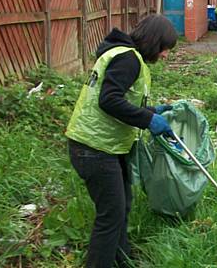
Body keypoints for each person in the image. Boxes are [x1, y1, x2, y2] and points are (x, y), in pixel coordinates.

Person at [65, 15, 178, 268]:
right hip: (93, 147)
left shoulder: (124, 54)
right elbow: (109, 100)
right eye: (165, 49)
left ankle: (122, 259)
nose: (165, 55)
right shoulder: (128, 59)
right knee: (111, 216)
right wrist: (148, 121)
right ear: (154, 41)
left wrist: (151, 112)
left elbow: (121, 98)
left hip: (107, 145)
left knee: (122, 205)